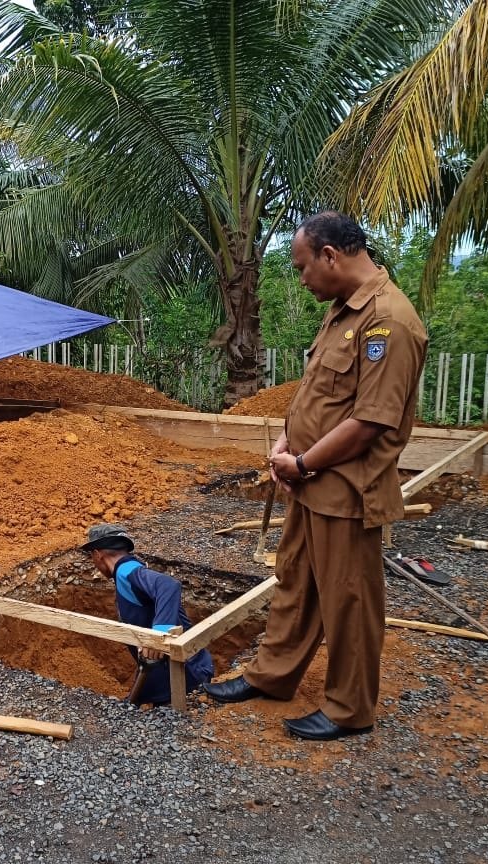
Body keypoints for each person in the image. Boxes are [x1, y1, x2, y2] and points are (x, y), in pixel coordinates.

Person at [203, 211, 427, 741]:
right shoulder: (342, 312)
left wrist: (303, 462)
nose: (302, 279)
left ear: (331, 255)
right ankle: (272, 676)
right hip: (311, 481)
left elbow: (371, 420)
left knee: (348, 600)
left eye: (304, 267)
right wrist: (289, 442)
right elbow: (321, 396)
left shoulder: (388, 322)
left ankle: (350, 709)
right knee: (296, 581)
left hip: (346, 489)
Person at [81, 524, 214, 705]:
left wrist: (159, 633)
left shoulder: (126, 571)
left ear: (97, 554)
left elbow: (168, 585)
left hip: (186, 674)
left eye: (92, 557)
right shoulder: (128, 571)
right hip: (175, 671)